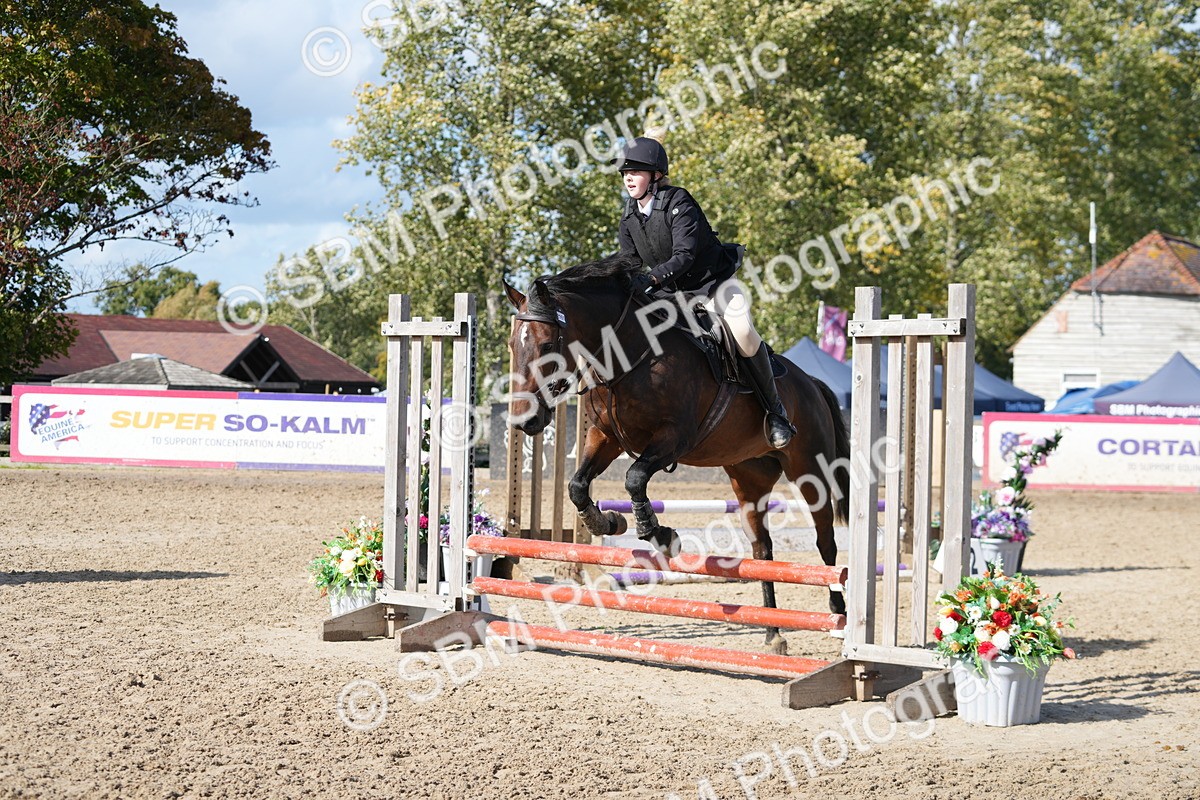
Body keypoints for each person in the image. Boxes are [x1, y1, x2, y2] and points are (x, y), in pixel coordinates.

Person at [613, 136, 795, 449]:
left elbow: (684, 255)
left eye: (637, 171)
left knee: (743, 332)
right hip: (672, 292)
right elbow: (628, 261)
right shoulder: (630, 217)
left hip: (711, 284)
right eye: (625, 172)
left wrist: (652, 278)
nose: (629, 177)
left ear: (656, 175)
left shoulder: (679, 202)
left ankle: (774, 411)